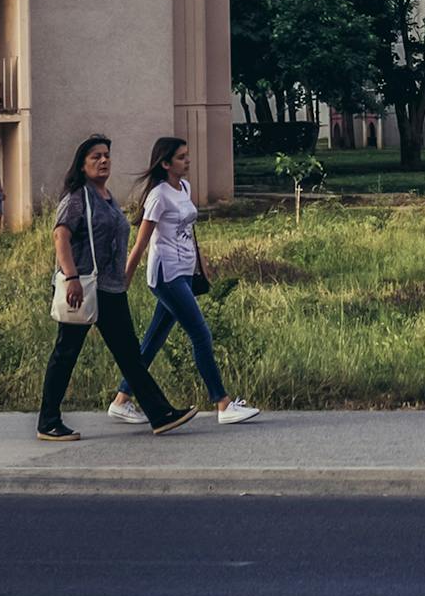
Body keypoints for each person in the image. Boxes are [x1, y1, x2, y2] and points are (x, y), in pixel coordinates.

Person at [36, 135, 194, 442]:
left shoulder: (107, 196)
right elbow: (61, 238)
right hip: (82, 288)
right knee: (65, 353)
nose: (103, 161)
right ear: (82, 165)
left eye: (106, 155)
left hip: (111, 289)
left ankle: (159, 414)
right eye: (95, 157)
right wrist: (70, 277)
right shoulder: (77, 198)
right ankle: (48, 422)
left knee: (129, 355)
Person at [109, 137, 259, 427]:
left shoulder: (185, 188)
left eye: (187, 156)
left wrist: (201, 265)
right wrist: (122, 282)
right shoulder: (158, 196)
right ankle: (223, 403)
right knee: (201, 334)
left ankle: (122, 399)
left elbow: (189, 231)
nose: (187, 161)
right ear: (165, 164)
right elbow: (141, 244)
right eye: (181, 157)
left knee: (154, 339)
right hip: (166, 275)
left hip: (185, 272)